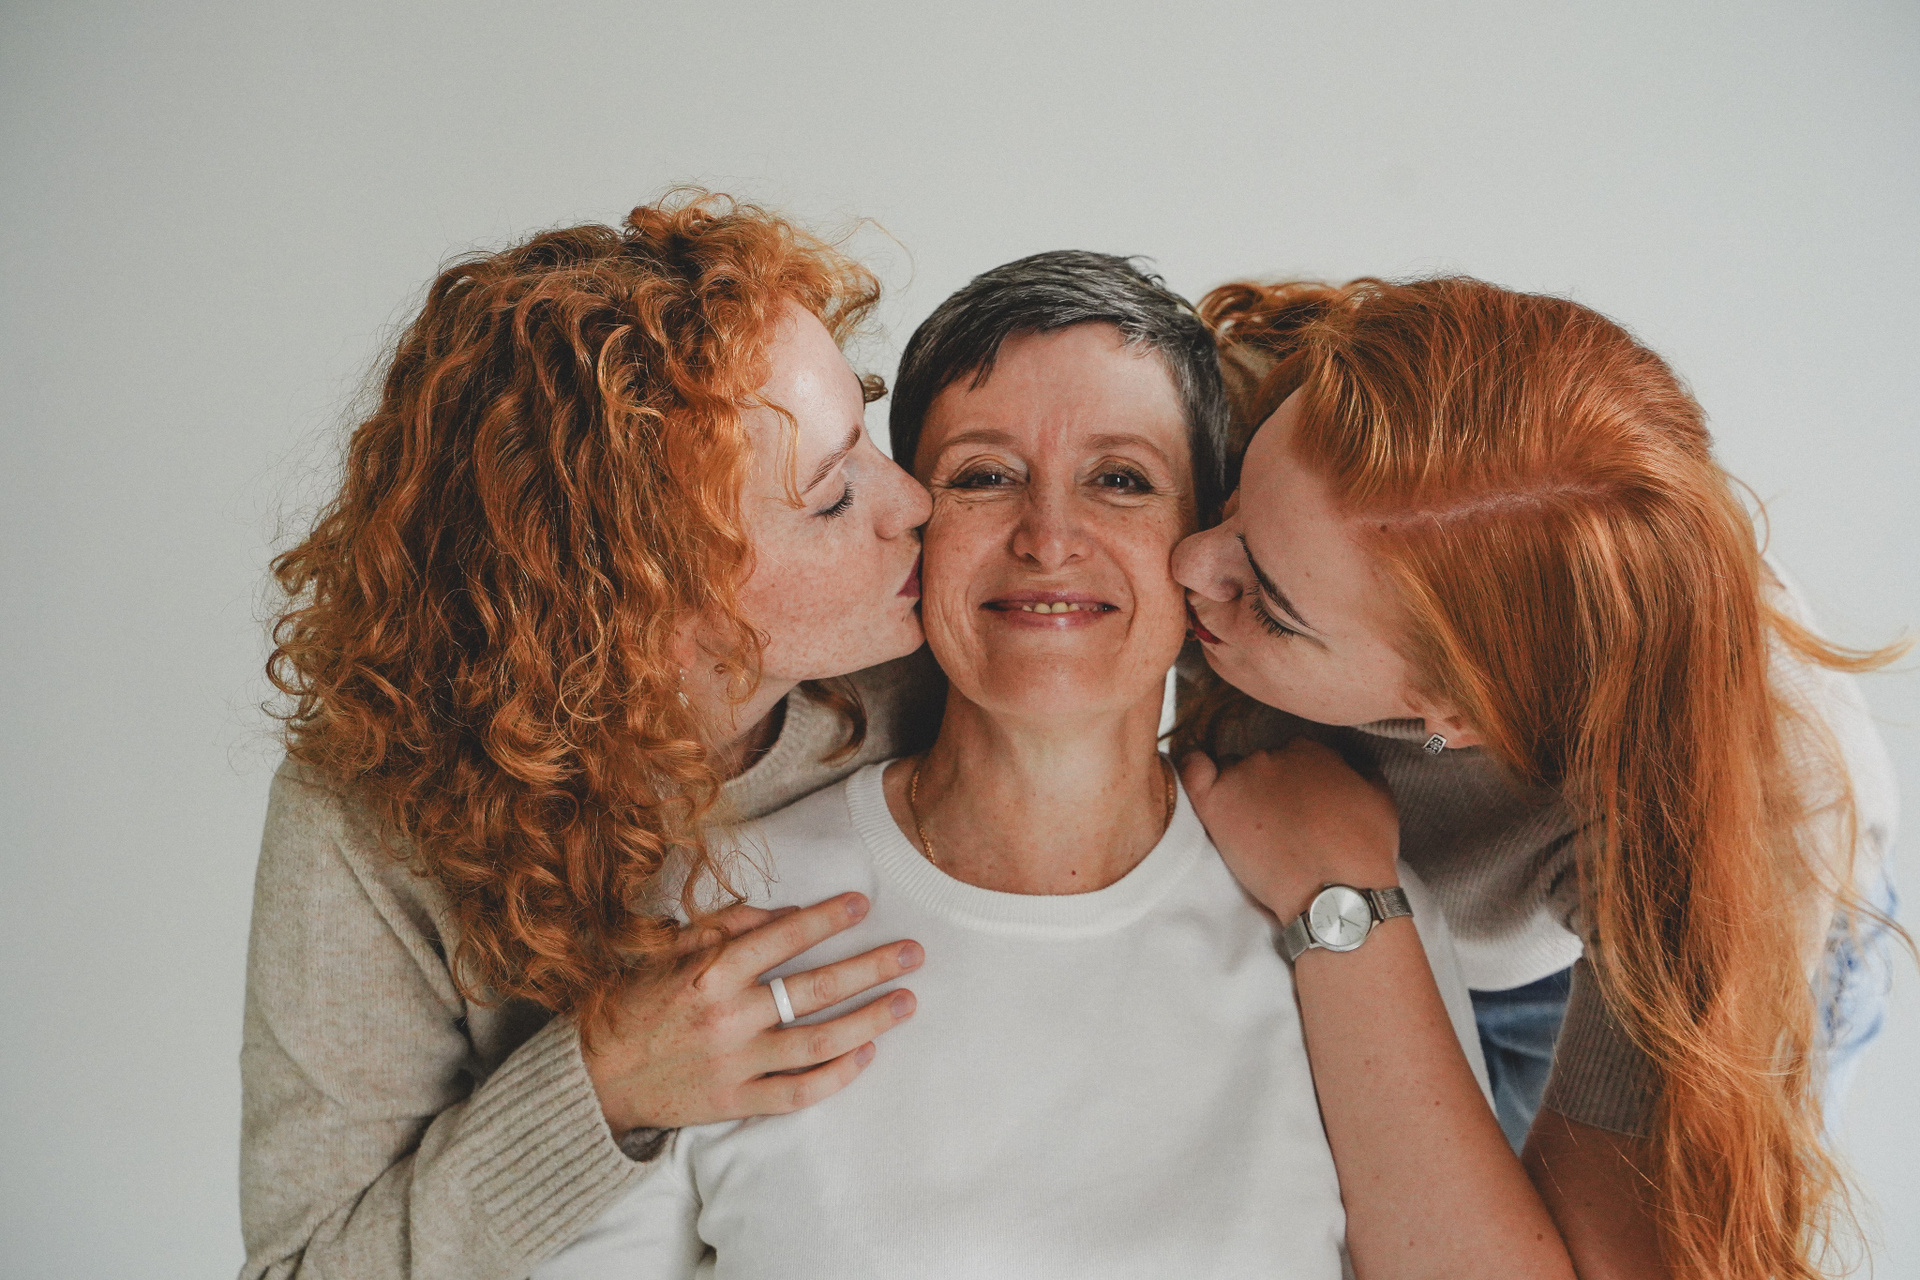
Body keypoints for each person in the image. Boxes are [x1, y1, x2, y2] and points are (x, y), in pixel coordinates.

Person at [535, 252, 1566, 1280]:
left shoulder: (1349, 907)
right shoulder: (709, 908)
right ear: (910, 521)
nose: (1049, 538)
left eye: (1121, 480)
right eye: (984, 475)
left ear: (1206, 535)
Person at [240, 193, 947, 1280]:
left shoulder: (932, 671)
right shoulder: (368, 814)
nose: (915, 503)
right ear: (640, 606)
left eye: (867, 429)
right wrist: (605, 1084)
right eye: (831, 496)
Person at [1171, 276, 1902, 1280]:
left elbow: (1615, 1263)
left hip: (1653, 959)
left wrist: (1338, 889)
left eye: (1268, 602)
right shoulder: (1272, 409)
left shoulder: (1732, 827)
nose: (1186, 560)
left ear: (1459, 710)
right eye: (1231, 503)